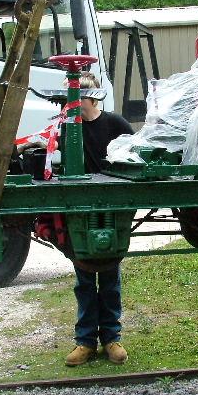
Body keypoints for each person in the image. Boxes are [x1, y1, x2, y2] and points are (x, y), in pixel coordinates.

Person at [64, 72, 134, 367]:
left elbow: (134, 158)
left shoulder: (116, 125)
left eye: (78, 95)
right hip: (82, 211)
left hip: (112, 211)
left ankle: (111, 339)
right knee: (83, 279)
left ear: (92, 97)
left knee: (109, 277)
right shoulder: (69, 127)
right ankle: (85, 342)